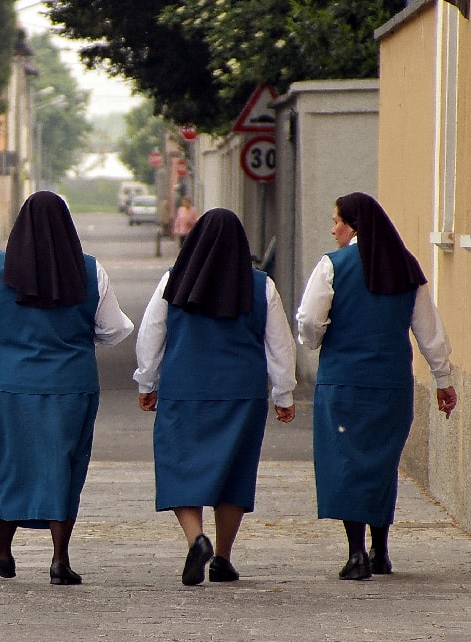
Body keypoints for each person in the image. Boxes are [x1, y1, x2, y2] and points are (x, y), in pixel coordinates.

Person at [0, 190, 134, 585]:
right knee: (64, 463)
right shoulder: (90, 271)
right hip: (73, 384)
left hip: (10, 386)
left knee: (9, 462)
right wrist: (80, 341)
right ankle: (60, 559)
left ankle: (3, 549)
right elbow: (115, 329)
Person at [296, 192, 457, 581]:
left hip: (343, 382)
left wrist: (314, 343)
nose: (332, 228)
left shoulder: (332, 266)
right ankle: (380, 550)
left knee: (346, 462)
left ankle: (355, 554)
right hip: (391, 384)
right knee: (382, 465)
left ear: (353, 226)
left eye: (337, 220)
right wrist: (443, 380)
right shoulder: (407, 268)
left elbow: (309, 320)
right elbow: (428, 331)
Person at [135, 208, 297, 586]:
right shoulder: (261, 286)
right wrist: (284, 393)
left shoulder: (172, 282)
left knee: (179, 465)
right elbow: (279, 344)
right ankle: (223, 557)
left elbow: (151, 334)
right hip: (241, 395)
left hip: (184, 390)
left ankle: (196, 539)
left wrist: (147, 382)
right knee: (234, 471)